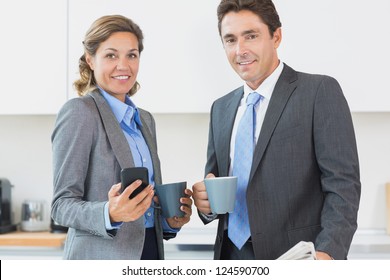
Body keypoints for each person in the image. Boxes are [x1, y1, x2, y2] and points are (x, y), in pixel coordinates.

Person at [192, 0, 361, 260]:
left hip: (299, 257)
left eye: (251, 36)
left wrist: (327, 255)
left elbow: (343, 186)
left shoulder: (318, 92)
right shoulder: (221, 108)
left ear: (276, 36)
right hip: (231, 257)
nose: (240, 50)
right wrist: (206, 205)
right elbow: (215, 182)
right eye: (230, 40)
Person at [51, 15, 193, 260]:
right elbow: (61, 206)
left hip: (149, 253)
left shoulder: (145, 120)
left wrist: (170, 219)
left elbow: (146, 206)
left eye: (132, 55)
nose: (123, 65)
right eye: (111, 55)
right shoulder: (80, 112)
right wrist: (110, 213)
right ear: (90, 60)